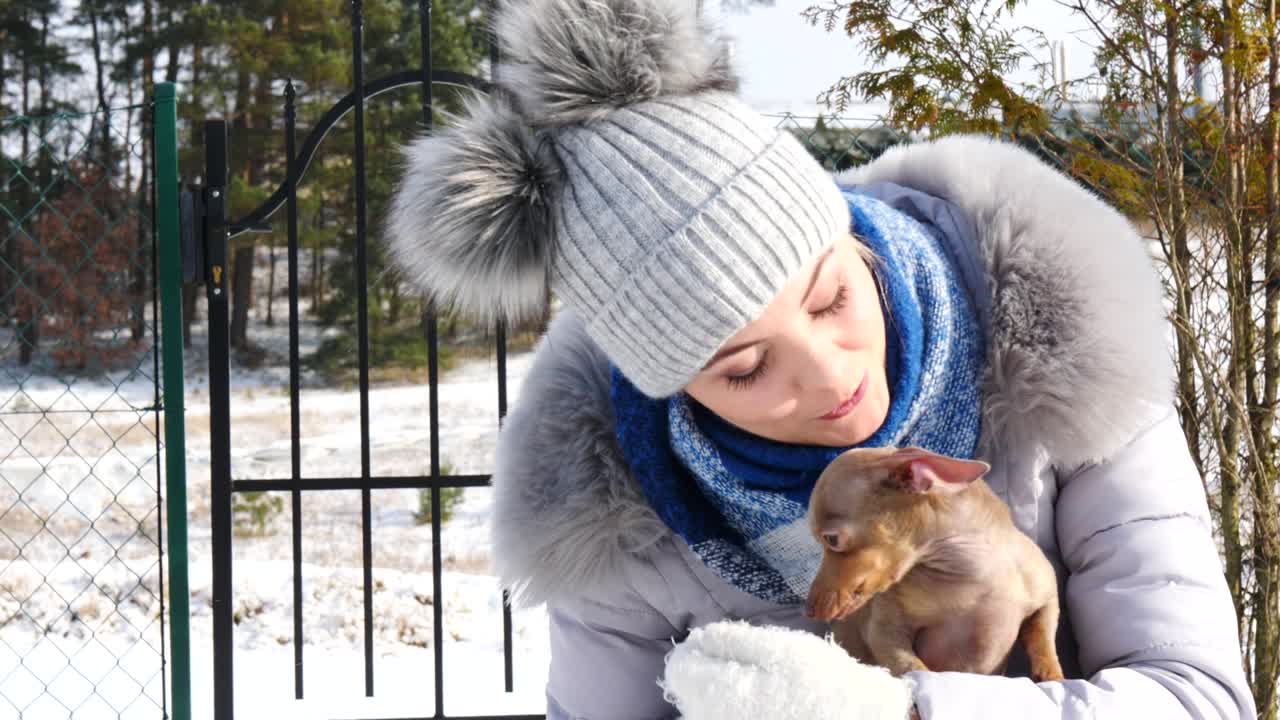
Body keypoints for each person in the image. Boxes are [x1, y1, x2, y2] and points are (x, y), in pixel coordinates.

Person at [387, 0, 1255, 718]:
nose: (833, 377)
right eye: (744, 369)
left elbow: (1198, 698)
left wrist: (897, 709)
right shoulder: (623, 524)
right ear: (671, 390)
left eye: (832, 299)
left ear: (851, 240)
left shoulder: (1064, 375)